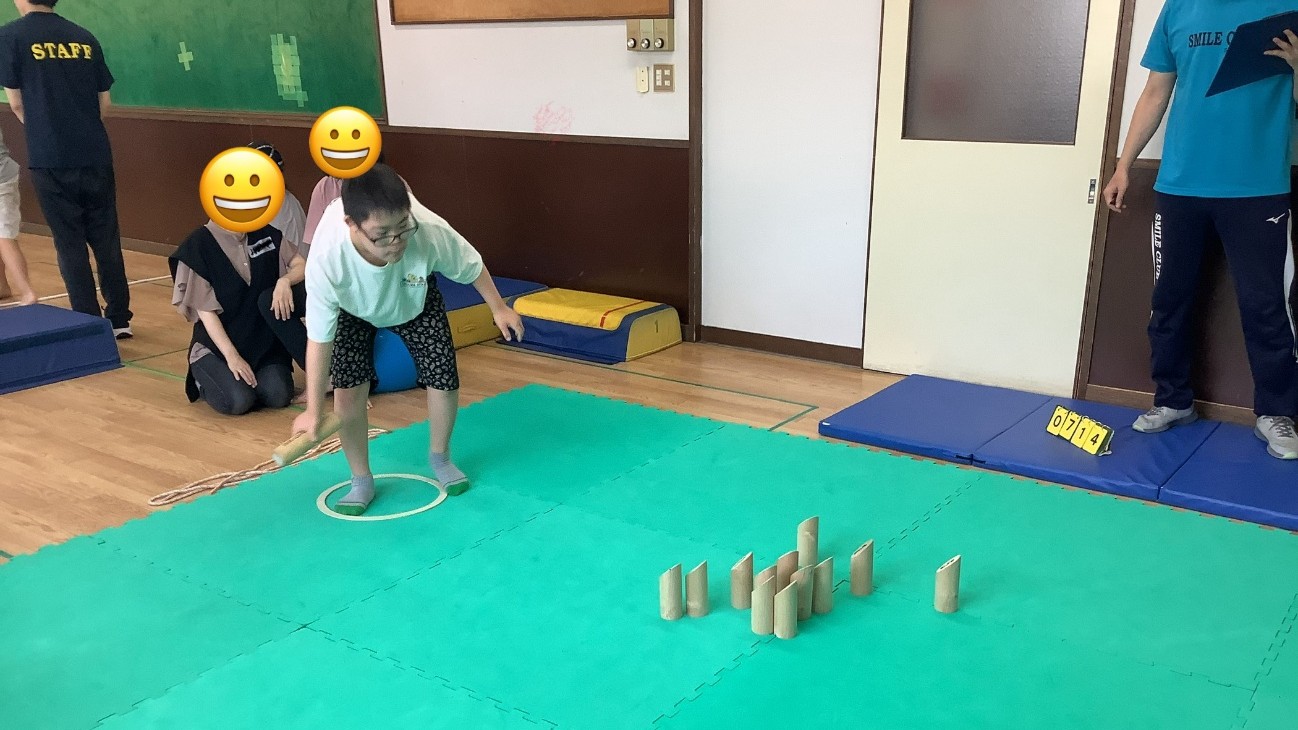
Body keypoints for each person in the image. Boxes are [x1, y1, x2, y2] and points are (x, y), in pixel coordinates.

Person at [1103, 5, 1298, 460]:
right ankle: (1173, 399)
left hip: (1257, 187)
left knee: (1266, 305)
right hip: (1180, 184)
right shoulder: (1178, 8)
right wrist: (1123, 165)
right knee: (1170, 300)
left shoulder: (1286, 8)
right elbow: (1155, 91)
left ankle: (1277, 413)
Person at [290, 163, 524, 515]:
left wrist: (499, 308)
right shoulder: (327, 258)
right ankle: (361, 479)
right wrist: (313, 411)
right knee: (348, 391)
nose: (396, 241)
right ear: (351, 224)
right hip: (352, 308)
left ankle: (440, 457)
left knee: (443, 376)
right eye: (382, 235)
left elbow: (471, 265)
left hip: (414, 297)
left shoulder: (426, 229)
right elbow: (319, 339)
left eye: (402, 228)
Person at [0, 0, 132, 337]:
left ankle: (89, 322)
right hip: (95, 152)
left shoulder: (11, 36)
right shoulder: (84, 36)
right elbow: (105, 102)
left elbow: (16, 102)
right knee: (106, 239)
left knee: (69, 242)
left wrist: (46, 131)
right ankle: (119, 319)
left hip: (51, 156)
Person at [168, 216, 308, 416]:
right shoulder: (199, 244)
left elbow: (300, 264)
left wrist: (285, 281)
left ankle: (248, 381)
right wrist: (232, 357)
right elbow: (206, 312)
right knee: (239, 401)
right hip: (218, 348)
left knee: (278, 395)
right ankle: (203, 383)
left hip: (263, 344)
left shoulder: (266, 233)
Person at [246, 141, 308, 370]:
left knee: (267, 302)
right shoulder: (247, 205)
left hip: (292, 279)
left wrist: (285, 282)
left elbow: (296, 261)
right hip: (275, 279)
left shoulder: (284, 206)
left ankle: (319, 369)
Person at [0, 124, 34, 305]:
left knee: (5, 238)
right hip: (5, 175)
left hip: (2, 180)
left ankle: (27, 292)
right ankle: (1, 286)